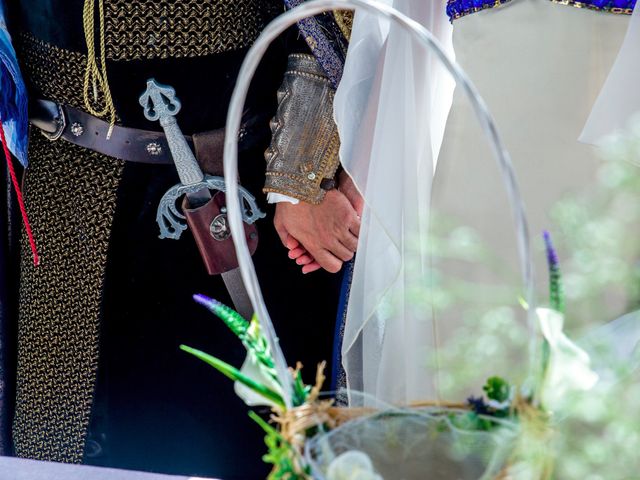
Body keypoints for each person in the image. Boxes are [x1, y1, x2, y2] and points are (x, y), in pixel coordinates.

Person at [0, 1, 357, 478]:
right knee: (59, 441)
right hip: (59, 192)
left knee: (245, 437)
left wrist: (301, 170)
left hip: (244, 197)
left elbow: (332, 12)